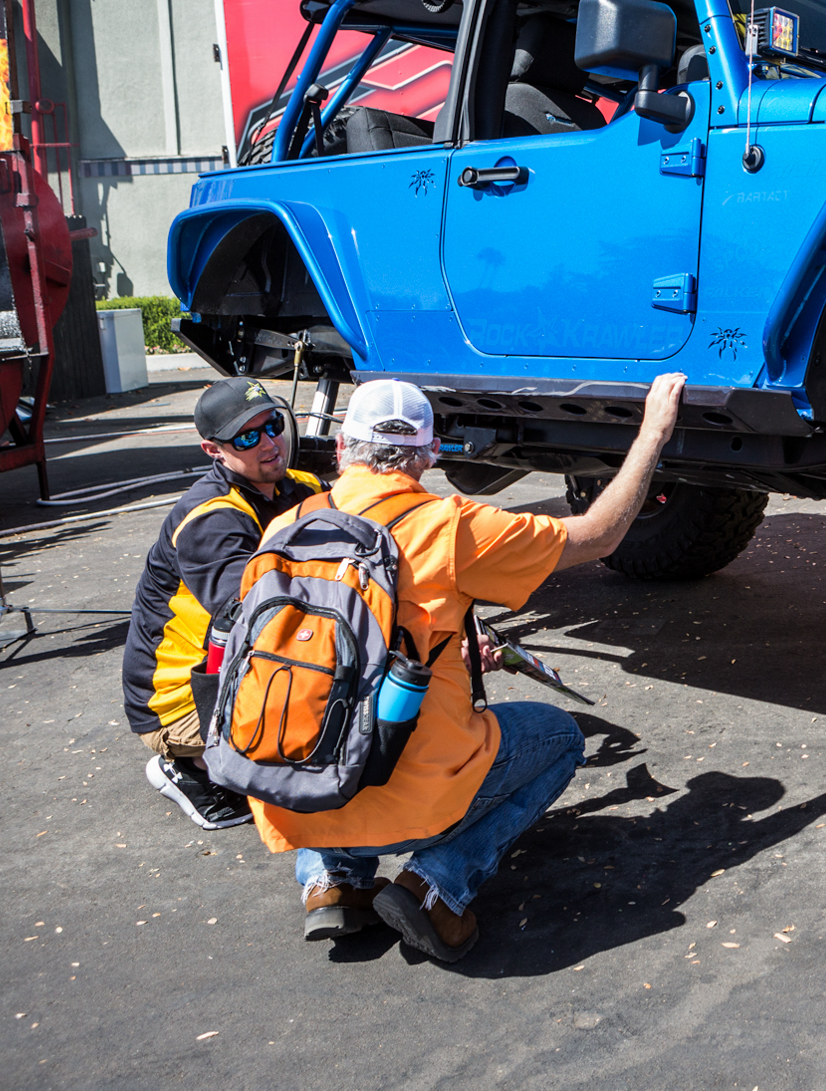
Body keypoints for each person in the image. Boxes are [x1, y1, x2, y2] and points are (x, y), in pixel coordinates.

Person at [251, 373, 685, 956]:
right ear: (429, 454)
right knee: (557, 736)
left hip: (292, 788)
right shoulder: (450, 527)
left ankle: (333, 884)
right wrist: (652, 435)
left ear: (340, 449)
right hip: (407, 789)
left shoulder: (286, 526)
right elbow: (599, 536)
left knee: (325, 708)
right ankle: (437, 885)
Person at [123, 378, 327, 830]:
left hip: (242, 670)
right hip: (178, 703)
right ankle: (191, 769)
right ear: (212, 450)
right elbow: (262, 616)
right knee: (328, 721)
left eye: (273, 424)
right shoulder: (210, 520)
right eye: (247, 437)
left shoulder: (303, 486)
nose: (270, 443)